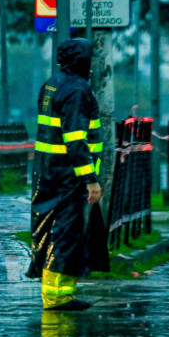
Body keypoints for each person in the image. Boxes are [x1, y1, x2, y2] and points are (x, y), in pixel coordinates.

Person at [28, 37, 105, 311]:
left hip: (49, 171)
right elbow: (75, 139)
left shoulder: (52, 84)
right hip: (68, 176)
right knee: (64, 234)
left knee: (58, 232)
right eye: (88, 59)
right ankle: (56, 297)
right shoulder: (77, 90)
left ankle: (64, 294)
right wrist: (90, 179)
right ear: (80, 60)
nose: (91, 64)